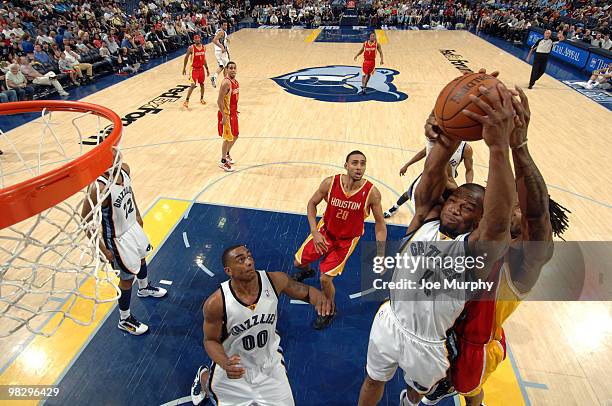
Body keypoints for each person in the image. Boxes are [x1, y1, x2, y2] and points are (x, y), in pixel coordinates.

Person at [358, 81, 517, 406]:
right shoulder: (424, 221)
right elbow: (432, 174)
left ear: (478, 223)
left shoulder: (475, 253)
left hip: (430, 342)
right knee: (372, 379)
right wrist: (445, 132)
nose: (456, 206)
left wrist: (500, 147)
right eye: (454, 199)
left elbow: (499, 219)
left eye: (468, 207)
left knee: (418, 391)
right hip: (391, 320)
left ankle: (410, 401)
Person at [423, 87, 568, 406]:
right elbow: (448, 186)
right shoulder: (486, 232)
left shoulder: (524, 263)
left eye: (516, 207)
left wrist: (519, 145)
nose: (508, 208)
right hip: (442, 326)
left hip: (475, 344)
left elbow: (536, 215)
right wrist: (441, 139)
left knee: (469, 391)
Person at [190, 244, 330, 406]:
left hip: (269, 367)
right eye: (241, 260)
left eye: (249, 256)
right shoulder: (216, 302)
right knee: (214, 393)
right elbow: (210, 340)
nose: (249, 262)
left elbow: (305, 291)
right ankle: (203, 378)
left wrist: (320, 299)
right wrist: (224, 363)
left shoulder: (275, 280)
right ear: (229, 271)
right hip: (233, 369)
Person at [292, 150, 387, 329]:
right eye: (355, 163)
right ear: (346, 166)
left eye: (362, 163)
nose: (359, 167)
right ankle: (307, 271)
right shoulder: (330, 182)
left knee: (325, 280)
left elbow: (380, 224)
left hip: (346, 241)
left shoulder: (371, 193)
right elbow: (312, 204)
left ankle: (329, 309)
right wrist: (314, 231)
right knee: (297, 263)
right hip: (324, 232)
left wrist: (381, 254)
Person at [81, 161, 167, 336]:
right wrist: (101, 249)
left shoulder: (125, 170)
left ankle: (143, 289)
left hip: (132, 227)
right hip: (117, 239)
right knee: (127, 279)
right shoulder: (98, 187)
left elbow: (130, 191)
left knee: (142, 257)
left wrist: (137, 214)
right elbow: (85, 220)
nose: (116, 153)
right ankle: (124, 319)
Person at [384, 140, 474, 218]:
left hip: (447, 180)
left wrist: (469, 186)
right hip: (429, 175)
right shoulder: (441, 142)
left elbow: (469, 169)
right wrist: (407, 165)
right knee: (409, 193)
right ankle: (395, 207)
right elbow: (423, 152)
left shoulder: (466, 149)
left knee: (443, 203)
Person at [217, 61, 239, 172]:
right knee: (227, 138)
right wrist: (223, 116)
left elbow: (233, 100)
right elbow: (219, 101)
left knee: (236, 135)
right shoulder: (226, 83)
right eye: (230, 68)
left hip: (233, 113)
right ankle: (223, 161)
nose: (233, 70)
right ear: (227, 69)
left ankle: (227, 153)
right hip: (226, 114)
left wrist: (235, 110)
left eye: (234, 68)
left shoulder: (236, 82)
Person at [182, 34, 210, 109]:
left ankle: (201, 98)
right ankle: (186, 101)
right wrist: (184, 68)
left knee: (202, 84)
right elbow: (186, 58)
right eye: (195, 38)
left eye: (198, 38)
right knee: (193, 85)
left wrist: (207, 68)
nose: (197, 39)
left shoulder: (204, 47)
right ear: (194, 40)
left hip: (201, 69)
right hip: (194, 69)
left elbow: (204, 59)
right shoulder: (191, 48)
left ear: (200, 39)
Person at [211, 21, 230, 88]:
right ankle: (224, 80)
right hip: (221, 51)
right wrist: (222, 47)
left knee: (223, 66)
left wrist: (226, 39)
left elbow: (219, 39)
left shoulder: (220, 31)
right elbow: (214, 40)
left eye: (226, 25)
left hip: (218, 51)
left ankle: (219, 78)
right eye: (224, 25)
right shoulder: (221, 32)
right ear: (221, 25)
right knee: (225, 66)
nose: (226, 26)